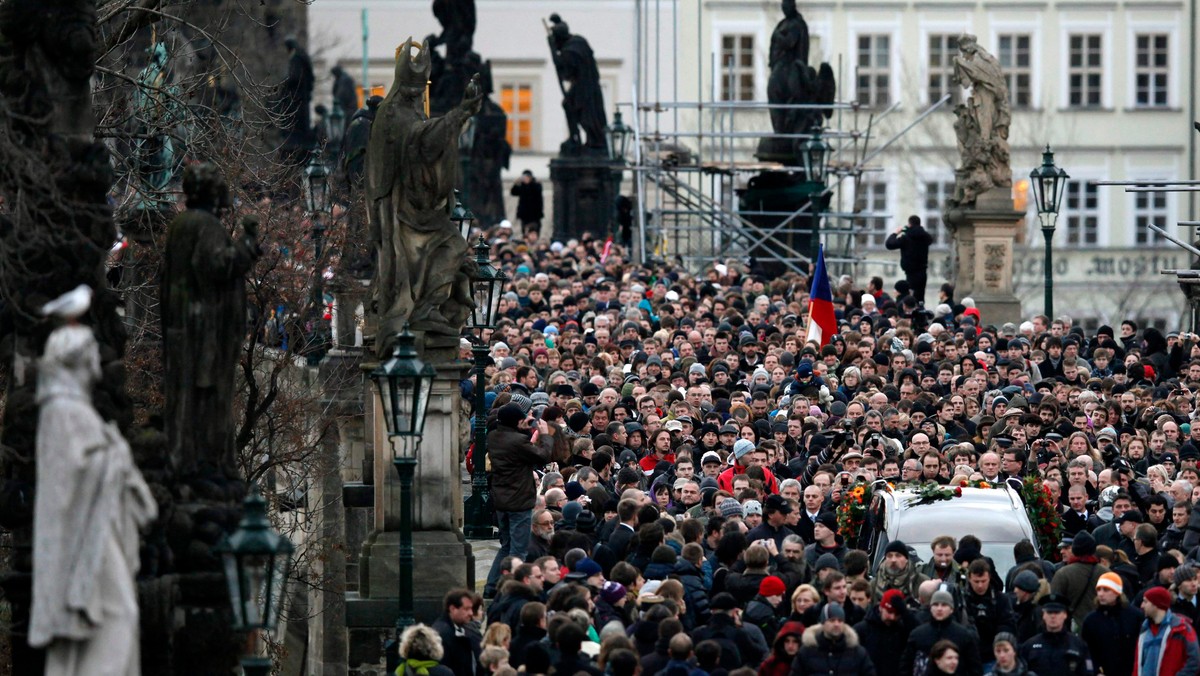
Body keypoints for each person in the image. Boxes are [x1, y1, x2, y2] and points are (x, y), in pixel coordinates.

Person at [484, 404, 554, 597]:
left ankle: (491, 587)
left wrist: (525, 426)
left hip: (502, 500)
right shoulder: (517, 441)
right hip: (519, 501)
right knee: (518, 551)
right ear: (515, 421)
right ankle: (513, 591)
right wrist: (545, 434)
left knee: (505, 547)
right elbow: (543, 455)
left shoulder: (494, 436)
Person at [1081, 572, 1143, 676]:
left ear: (1117, 592)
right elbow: (1087, 652)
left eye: (1106, 590)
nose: (1101, 594)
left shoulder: (1135, 616)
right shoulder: (1091, 620)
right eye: (1098, 590)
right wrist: (1095, 672)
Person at [789, 603, 876, 676]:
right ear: (823, 623)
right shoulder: (807, 652)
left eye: (840, 620)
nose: (836, 624)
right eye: (832, 620)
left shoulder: (857, 653)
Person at [1019, 593, 1094, 676]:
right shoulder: (1029, 646)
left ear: (1065, 615)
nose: (1053, 616)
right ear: (1043, 615)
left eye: (1057, 612)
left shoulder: (1078, 645)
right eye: (1049, 612)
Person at [1135, 586, 1200, 675]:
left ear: (1156, 604)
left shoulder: (1181, 628)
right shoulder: (1145, 629)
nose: (1142, 605)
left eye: (1145, 601)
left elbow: (1194, 661)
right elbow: (1138, 664)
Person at [432, 590, 483, 676]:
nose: (471, 613)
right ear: (452, 609)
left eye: (471, 608)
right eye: (466, 609)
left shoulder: (459, 629)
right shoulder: (443, 634)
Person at [884, 215, 934, 304]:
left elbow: (889, 244)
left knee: (910, 298)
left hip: (910, 271)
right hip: (922, 271)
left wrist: (895, 233)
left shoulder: (906, 238)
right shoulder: (925, 237)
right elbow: (929, 238)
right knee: (920, 298)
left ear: (909, 224)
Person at [510, 170, 544, 237]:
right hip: (524, 214)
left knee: (535, 230)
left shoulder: (536, 185)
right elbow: (513, 192)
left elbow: (537, 192)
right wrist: (516, 184)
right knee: (524, 231)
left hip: (535, 214)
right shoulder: (522, 186)